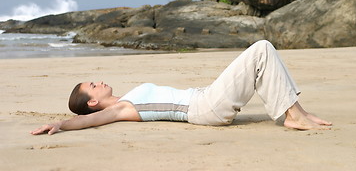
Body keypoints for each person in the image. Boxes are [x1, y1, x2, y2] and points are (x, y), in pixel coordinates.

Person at [30, 40, 332, 135]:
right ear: (93, 101)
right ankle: (293, 115)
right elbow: (88, 120)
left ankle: (296, 111)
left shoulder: (126, 99)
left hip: (204, 98)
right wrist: (61, 124)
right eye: (93, 85)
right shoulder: (121, 109)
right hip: (203, 107)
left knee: (261, 57)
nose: (99, 81)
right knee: (261, 50)